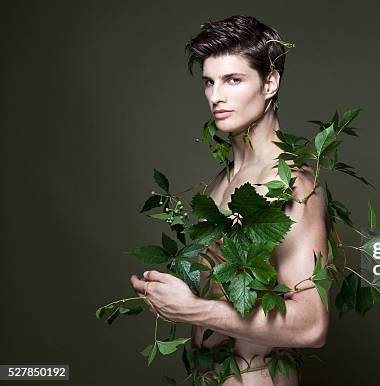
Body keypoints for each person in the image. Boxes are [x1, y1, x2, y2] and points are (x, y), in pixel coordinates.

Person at [130, 15, 329, 386]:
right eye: (209, 81)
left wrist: (194, 309)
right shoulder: (219, 185)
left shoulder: (293, 188)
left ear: (270, 83)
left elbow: (313, 323)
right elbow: (222, 294)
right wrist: (168, 294)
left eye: (233, 80)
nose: (215, 96)